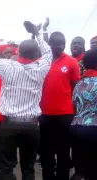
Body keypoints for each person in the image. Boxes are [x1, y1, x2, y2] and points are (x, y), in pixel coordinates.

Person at [0, 22, 52, 180]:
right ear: (35, 55)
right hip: (32, 126)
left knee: (5, 168)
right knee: (28, 168)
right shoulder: (42, 68)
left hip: (9, 125)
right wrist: (38, 34)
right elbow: (48, 53)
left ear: (18, 53)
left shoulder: (7, 67)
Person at [40, 32, 80, 180]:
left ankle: (62, 177)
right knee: (46, 150)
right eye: (57, 43)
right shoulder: (42, 61)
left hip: (65, 115)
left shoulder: (71, 62)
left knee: (63, 150)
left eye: (62, 43)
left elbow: (76, 88)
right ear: (49, 43)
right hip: (44, 114)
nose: (60, 46)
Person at [71, 49, 97, 180]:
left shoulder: (79, 83)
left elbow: (74, 106)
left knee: (82, 166)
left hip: (77, 129)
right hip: (94, 129)